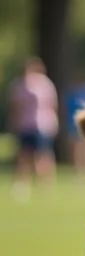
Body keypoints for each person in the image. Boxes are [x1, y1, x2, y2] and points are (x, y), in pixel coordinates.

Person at [6, 56, 60, 198]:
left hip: (42, 124)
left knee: (42, 156)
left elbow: (51, 105)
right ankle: (22, 184)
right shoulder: (19, 85)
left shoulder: (45, 84)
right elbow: (15, 107)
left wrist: (54, 123)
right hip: (25, 125)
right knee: (23, 155)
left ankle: (45, 185)